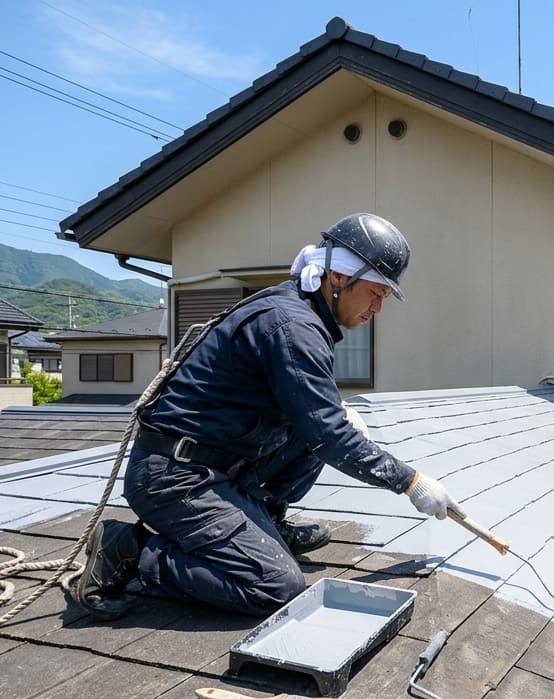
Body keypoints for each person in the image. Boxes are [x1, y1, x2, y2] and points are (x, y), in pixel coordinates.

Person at [74, 212, 462, 620]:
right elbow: (328, 435)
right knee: (273, 586)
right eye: (375, 293)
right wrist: (410, 482)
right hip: (174, 477)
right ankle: (131, 550)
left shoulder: (299, 311)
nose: (378, 308)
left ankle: (265, 523)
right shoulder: (292, 325)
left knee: (318, 428)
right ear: (337, 277)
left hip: (215, 462)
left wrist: (336, 416)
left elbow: (316, 418)